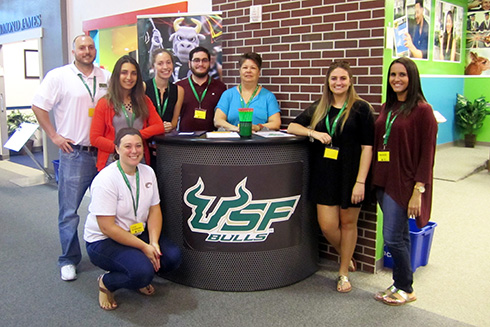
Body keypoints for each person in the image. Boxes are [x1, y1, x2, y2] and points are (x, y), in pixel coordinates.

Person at [287, 61, 374, 293]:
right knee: (327, 226)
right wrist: (312, 132)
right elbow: (292, 127)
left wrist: (360, 182)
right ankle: (346, 254)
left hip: (351, 176)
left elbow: (368, 148)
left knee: (348, 224)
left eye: (343, 78)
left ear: (350, 81)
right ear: (327, 81)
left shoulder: (361, 108)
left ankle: (343, 272)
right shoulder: (320, 107)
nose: (338, 83)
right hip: (324, 175)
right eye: (334, 78)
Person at [31, 35, 111, 281]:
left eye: (90, 47)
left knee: (109, 208)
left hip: (105, 153)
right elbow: (38, 105)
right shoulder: (59, 76)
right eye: (82, 48)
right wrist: (54, 136)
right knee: (69, 211)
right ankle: (68, 259)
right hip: (74, 153)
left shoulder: (105, 76)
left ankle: (109, 255)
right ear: (74, 51)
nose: (87, 51)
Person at [84, 127, 181, 310]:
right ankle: (107, 282)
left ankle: (137, 268)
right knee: (142, 272)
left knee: (172, 258)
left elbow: (154, 210)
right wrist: (144, 247)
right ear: (117, 149)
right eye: (127, 146)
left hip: (136, 233)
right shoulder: (105, 180)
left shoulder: (147, 172)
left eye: (138, 146)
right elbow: (107, 227)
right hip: (103, 241)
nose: (134, 151)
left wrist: (154, 243)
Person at [372, 57, 437, 306]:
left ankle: (406, 288)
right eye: (392, 75)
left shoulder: (423, 110)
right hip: (382, 181)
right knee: (400, 235)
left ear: (412, 77)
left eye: (402, 74)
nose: (396, 79)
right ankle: (400, 282)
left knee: (392, 238)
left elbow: (427, 155)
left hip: (404, 183)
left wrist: (418, 190)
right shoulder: (387, 107)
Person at [90, 55, 164, 172]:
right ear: (117, 75)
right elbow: (95, 138)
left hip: (138, 159)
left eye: (133, 73)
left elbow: (159, 126)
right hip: (112, 160)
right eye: (124, 72)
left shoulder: (144, 101)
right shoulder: (105, 103)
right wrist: (120, 147)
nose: (129, 77)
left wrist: (135, 137)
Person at [215, 52, 281, 132]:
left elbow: (276, 123)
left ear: (259, 72)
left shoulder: (268, 96)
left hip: (259, 142)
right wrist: (236, 129)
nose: (248, 71)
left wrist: (258, 127)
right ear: (240, 71)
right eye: (245, 67)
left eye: (253, 68)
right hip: (232, 142)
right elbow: (218, 120)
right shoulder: (228, 95)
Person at [175, 46, 226, 132]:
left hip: (211, 141)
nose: (201, 64)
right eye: (196, 60)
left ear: (209, 63)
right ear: (189, 63)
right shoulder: (179, 87)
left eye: (204, 60)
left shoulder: (220, 87)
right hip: (184, 140)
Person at [144, 49, 184, 133]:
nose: (165, 67)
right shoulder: (143, 87)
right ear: (153, 66)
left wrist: (170, 126)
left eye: (168, 62)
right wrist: (158, 128)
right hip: (148, 137)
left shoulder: (179, 90)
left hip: (168, 140)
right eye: (160, 63)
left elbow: (174, 122)